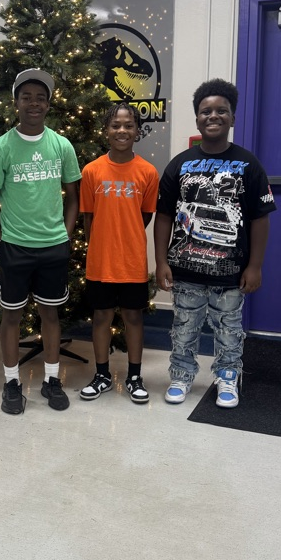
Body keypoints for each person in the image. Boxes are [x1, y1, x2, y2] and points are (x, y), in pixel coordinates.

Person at [154, 78, 275, 408]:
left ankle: (227, 376)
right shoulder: (180, 164)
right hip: (185, 271)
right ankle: (181, 374)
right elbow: (163, 216)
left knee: (229, 330)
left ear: (232, 118)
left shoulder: (249, 164)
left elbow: (260, 218)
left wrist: (255, 265)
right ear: (197, 119)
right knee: (184, 327)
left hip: (231, 273)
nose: (213, 116)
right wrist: (161, 261)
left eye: (222, 110)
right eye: (206, 111)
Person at [0, 68, 81, 415]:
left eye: (40, 98)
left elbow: (73, 197)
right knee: (11, 317)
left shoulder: (62, 145)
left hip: (53, 247)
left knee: (50, 314)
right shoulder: (0, 149)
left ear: (49, 104)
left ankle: (51, 380)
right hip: (15, 247)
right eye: (27, 97)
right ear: (16, 103)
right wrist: (1, 241)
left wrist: (66, 235)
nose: (34, 103)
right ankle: (11, 382)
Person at [79, 102, 159, 404]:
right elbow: (88, 217)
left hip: (132, 261)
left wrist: (126, 237)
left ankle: (134, 376)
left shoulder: (148, 172)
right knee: (101, 316)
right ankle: (102, 375)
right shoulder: (91, 171)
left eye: (128, 125)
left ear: (137, 131)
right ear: (106, 130)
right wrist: (101, 245)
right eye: (115, 125)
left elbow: (145, 216)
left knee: (133, 317)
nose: (122, 130)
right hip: (100, 261)